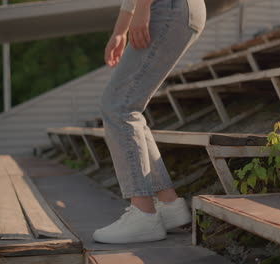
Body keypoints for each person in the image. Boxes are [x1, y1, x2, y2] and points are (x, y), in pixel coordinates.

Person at [93, 0, 206, 243]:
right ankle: (168, 204)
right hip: (180, 7)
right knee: (127, 107)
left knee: (117, 106)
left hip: (167, 6)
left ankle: (143, 214)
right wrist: (119, 31)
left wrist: (142, 9)